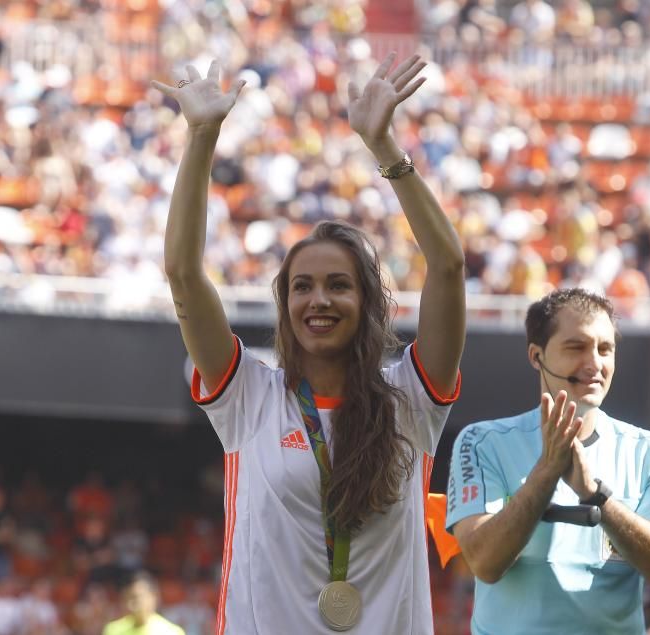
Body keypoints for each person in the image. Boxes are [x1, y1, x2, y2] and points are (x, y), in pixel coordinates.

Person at [152, 53, 464, 634]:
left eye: (338, 286)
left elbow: (447, 266)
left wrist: (384, 148)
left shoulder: (411, 399)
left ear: (368, 303)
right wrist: (200, 138)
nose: (318, 300)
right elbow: (183, 273)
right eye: (302, 287)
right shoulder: (247, 394)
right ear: (285, 305)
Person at [444, 288, 650, 634]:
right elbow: (484, 562)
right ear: (537, 356)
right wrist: (546, 473)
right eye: (576, 347)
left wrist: (597, 497)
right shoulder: (481, 442)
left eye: (605, 349)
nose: (594, 363)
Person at [102, 571, 184, 635]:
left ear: (153, 596)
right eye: (127, 598)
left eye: (136, 598)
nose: (131, 604)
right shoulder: (113, 630)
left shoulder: (171, 632)